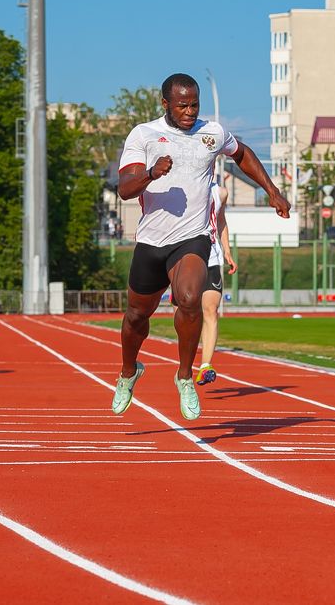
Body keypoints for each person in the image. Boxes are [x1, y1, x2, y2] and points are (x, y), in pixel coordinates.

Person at [112, 73, 290, 421]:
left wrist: (272, 190)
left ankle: (184, 376)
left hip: (192, 237)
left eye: (194, 104)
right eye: (182, 105)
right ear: (165, 103)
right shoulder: (143, 135)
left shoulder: (212, 134)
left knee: (192, 300)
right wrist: (151, 173)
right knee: (136, 317)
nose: (190, 111)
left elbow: (243, 154)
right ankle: (129, 371)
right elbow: (125, 188)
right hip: (151, 241)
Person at [195, 181, 236, 386]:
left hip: (211, 257)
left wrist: (227, 250)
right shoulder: (185, 184)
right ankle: (184, 365)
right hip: (185, 257)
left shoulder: (221, 192)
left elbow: (221, 219)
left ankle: (205, 366)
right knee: (185, 312)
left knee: (210, 310)